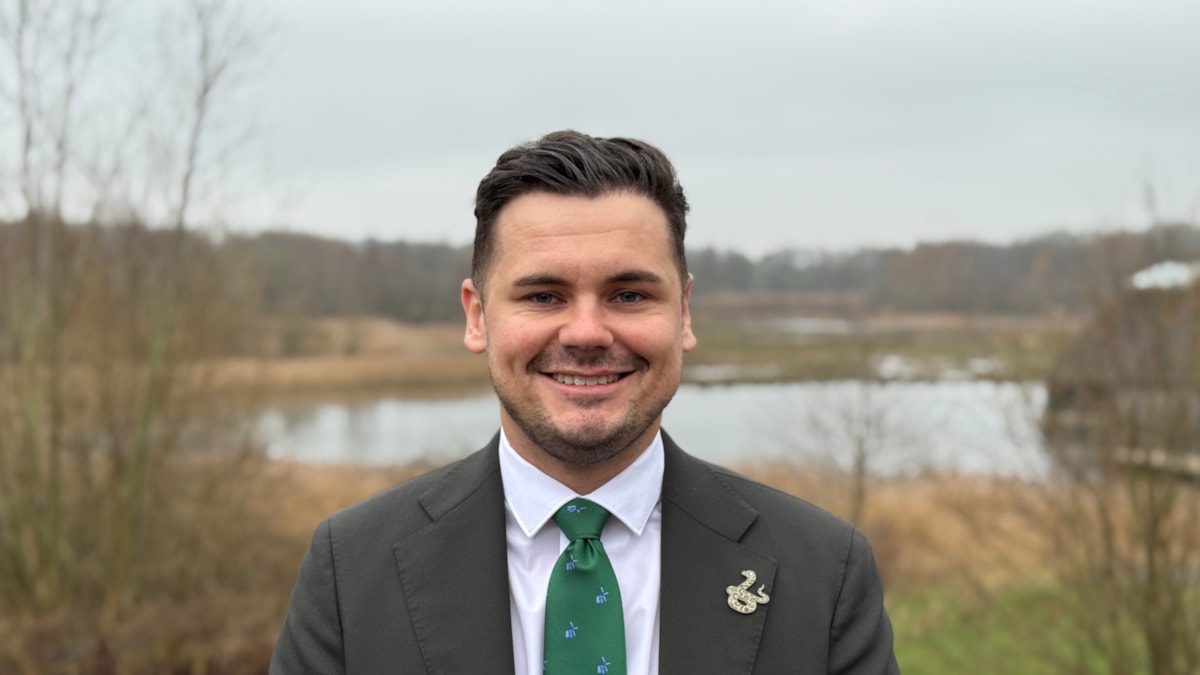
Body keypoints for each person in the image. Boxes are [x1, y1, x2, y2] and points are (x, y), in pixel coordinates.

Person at [269, 131, 899, 674]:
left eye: (628, 295)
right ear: (478, 317)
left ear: (684, 313)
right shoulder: (351, 571)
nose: (587, 333)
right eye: (543, 296)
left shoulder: (822, 571)